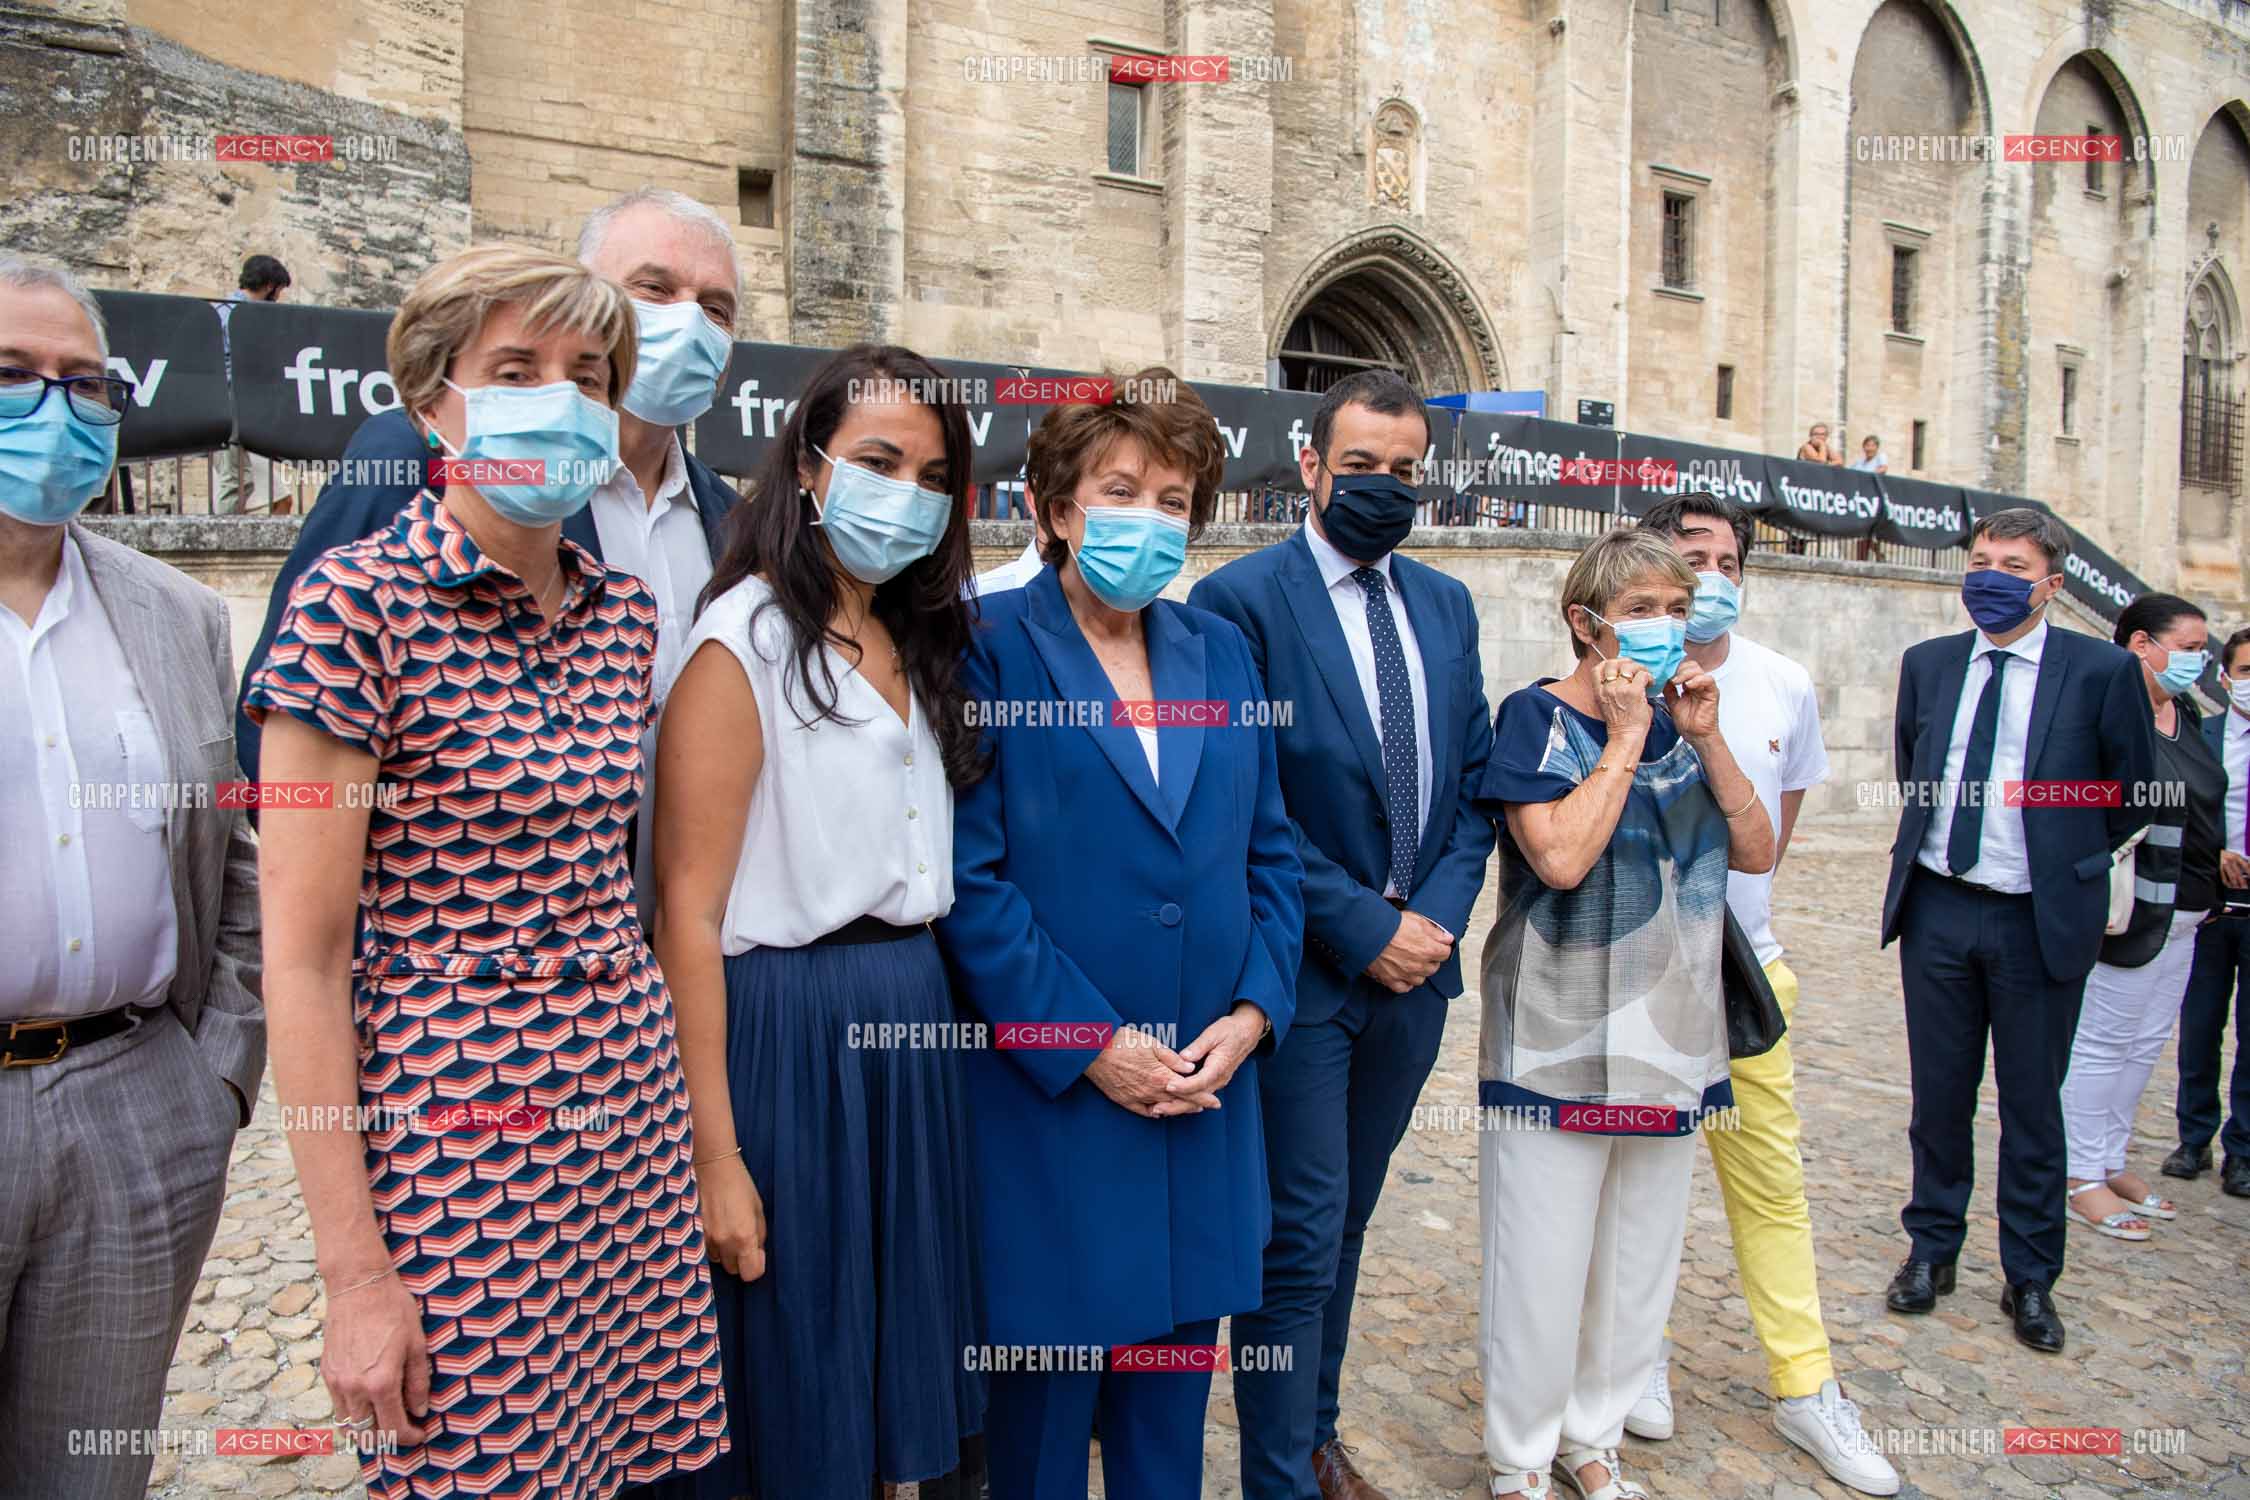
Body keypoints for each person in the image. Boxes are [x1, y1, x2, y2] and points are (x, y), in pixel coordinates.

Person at [242, 243, 725, 1497]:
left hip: (624, 1116)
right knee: (477, 1469)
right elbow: (301, 958)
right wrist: (354, 1272)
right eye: (515, 369)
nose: (559, 398)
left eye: (587, 372)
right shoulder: (352, 609)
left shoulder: (624, 616)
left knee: (626, 1464)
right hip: (457, 1135)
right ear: (431, 399)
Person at [935, 373, 1304, 1500]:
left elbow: (1271, 854)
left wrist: (1252, 1015)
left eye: (1174, 497)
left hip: (1201, 1100)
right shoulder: (984, 645)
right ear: (1055, 506)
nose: (1147, 517)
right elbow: (970, 877)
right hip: (1056, 1108)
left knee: (1166, 1438)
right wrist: (1092, 1044)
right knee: (1040, 1444)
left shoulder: (1222, 653)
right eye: (1119, 489)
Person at [647, 345, 987, 1500]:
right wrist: (714, 1155)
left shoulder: (922, 641)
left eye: (934, 476)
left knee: (893, 1369)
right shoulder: (740, 643)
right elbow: (685, 914)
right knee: (801, 1367)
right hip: (792, 1033)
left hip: (914, 1021)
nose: (909, 494)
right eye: (880, 461)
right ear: (808, 466)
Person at [1189, 368, 1496, 1500]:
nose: (1382, 488)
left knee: (1350, 1221)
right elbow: (1243, 805)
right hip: (1305, 976)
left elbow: (1472, 787)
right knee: (1297, 1239)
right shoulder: (1239, 605)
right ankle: (1279, 1474)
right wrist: (1365, 925)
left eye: (1404, 471)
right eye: (1360, 466)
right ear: (1312, 466)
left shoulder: (1447, 606)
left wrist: (1435, 925)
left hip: (1414, 982)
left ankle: (1315, 1438)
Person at [0, 257, 264, 1500]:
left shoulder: (174, 614)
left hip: (134, 1101)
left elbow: (238, 851)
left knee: (88, 1470)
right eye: (11, 377)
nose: (53, 410)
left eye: (83, 384)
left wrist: (215, 1073)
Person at [235, 186, 745, 793]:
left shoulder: (732, 524)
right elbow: (282, 732)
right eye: (655, 289)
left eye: (715, 309)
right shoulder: (419, 460)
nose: (687, 321)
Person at [1474, 526, 1775, 1500]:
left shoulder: (1689, 730)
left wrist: (1707, 738)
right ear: (1585, 621)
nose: (1664, 628)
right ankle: (1521, 1454)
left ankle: (1592, 1439)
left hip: (1673, 1038)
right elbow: (1558, 857)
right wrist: (1629, 737)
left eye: (1677, 611)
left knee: (1637, 1262)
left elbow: (1758, 850)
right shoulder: (1535, 721)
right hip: (1557, 1038)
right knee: (1542, 1261)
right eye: (1642, 609)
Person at [1626, 496, 1899, 1496]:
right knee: (1641, 1183)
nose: (1712, 572)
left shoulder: (1783, 684)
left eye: (1728, 556)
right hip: (1635, 977)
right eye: (1691, 555)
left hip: (1747, 971)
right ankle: (1636, 1353)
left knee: (1772, 1188)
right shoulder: (1614, 680)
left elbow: (1766, 845)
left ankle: (1807, 1385)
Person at [1879, 507, 2156, 1354]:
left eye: (2012, 564)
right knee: (1939, 1098)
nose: (1990, 576)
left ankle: (2031, 1275)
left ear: (2052, 584)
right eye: (1980, 560)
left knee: (2033, 1106)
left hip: (2039, 918)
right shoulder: (1928, 665)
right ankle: (1933, 1249)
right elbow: (1911, 767)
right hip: (1939, 906)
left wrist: (2061, 853)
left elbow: (2129, 790)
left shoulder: (2100, 671)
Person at [2059, 595, 2225, 1238]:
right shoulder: (2106, 708)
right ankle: (2078, 1175)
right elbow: (2054, 791)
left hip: (2189, 907)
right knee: (2102, 1042)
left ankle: (2109, 1157)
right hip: (2131, 908)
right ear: (2140, 645)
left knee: (2145, 1044)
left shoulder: (2181, 710)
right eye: (2187, 647)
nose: (2199, 660)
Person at [2166, 624, 2250, 1196]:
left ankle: (2242, 1148)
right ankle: (2193, 1136)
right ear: (2225, 678)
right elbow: (2180, 808)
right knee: (2199, 1026)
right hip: (2212, 908)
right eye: (2247, 672)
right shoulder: (2204, 736)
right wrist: (2213, 850)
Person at [213, 254, 293, 513]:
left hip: (234, 406)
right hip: (230, 403)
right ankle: (221, 542)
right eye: (279, 290)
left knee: (239, 479)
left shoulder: (221, 310)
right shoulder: (239, 315)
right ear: (270, 285)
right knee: (236, 480)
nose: (279, 297)